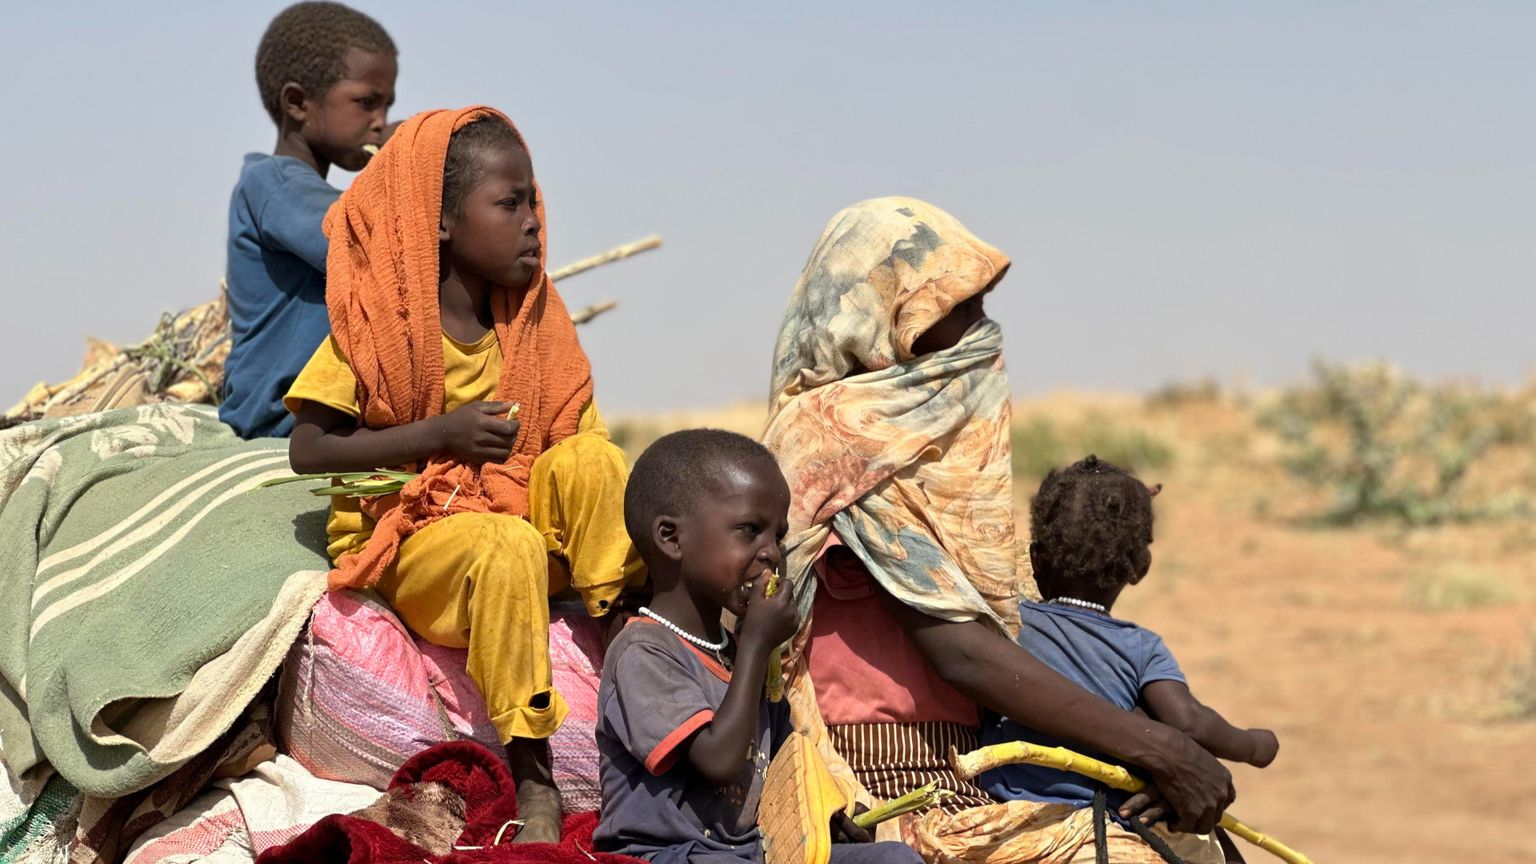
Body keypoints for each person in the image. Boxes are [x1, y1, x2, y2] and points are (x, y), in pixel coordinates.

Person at [761, 198, 1234, 862]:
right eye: (956, 310)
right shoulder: (827, 448)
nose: (982, 333)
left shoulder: (928, 454)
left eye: (982, 307)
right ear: (881, 320)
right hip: (861, 793)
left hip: (971, 776)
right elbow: (963, 652)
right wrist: (1154, 746)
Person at [284, 106, 643, 843]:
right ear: (442, 221)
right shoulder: (380, 323)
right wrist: (437, 435)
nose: (533, 222)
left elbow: (578, 454)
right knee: (503, 543)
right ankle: (535, 774)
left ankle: (632, 653)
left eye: (533, 201)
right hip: (422, 544)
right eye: (509, 204)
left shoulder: (536, 320)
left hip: (524, 533)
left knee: (594, 460)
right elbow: (309, 448)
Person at [595, 429, 921, 864]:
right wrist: (754, 644)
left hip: (748, 853)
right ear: (672, 538)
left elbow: (782, 764)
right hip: (667, 854)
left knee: (892, 859)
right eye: (749, 531)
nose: (771, 554)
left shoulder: (740, 654)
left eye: (777, 537)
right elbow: (717, 762)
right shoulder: (643, 650)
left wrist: (826, 818)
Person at [978, 456, 1279, 862]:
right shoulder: (1141, 647)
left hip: (1008, 820)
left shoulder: (1008, 624)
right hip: (1108, 825)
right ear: (1139, 568)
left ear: (1034, 559)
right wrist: (1255, 745)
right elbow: (1187, 720)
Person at [223, 1, 397, 438]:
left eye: (387, 106)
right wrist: (409, 159)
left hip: (323, 422)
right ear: (298, 103)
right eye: (366, 103)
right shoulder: (273, 183)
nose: (381, 123)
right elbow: (363, 244)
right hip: (276, 423)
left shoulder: (324, 198)